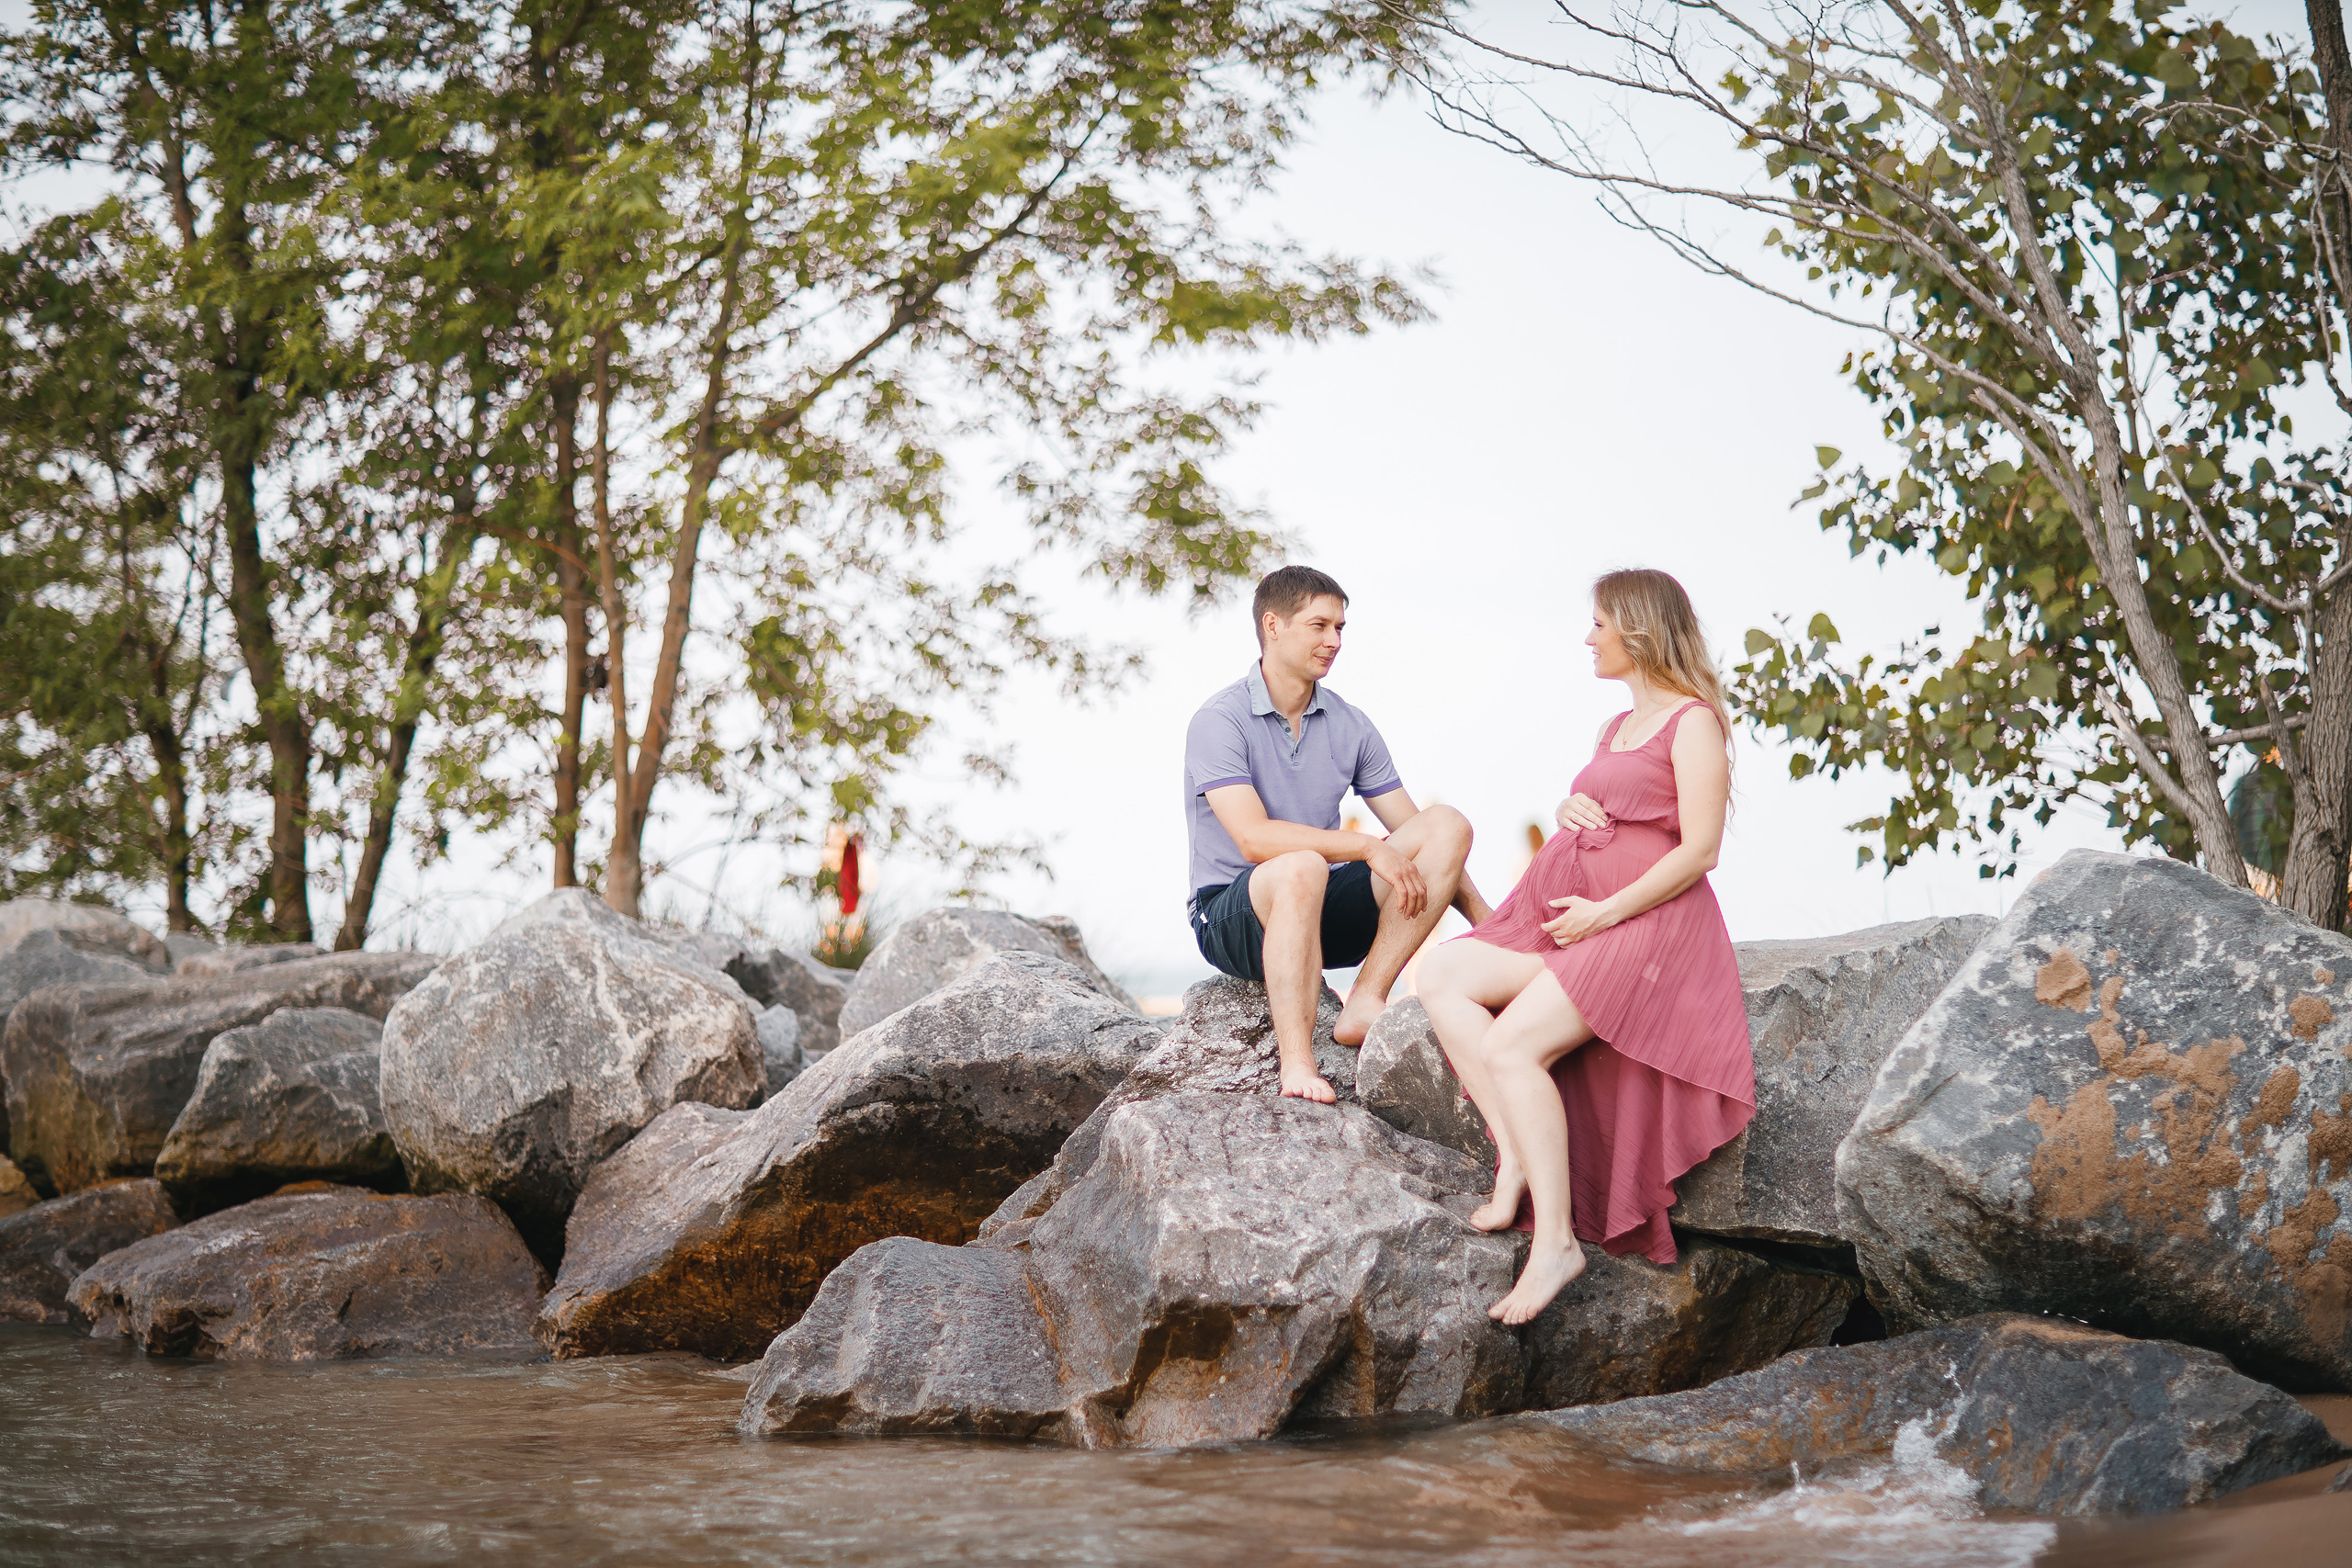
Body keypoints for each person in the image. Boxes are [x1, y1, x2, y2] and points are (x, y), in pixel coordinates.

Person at [1416, 568, 1755, 1326]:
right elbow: (1625, 809)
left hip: (1646, 928)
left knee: (1510, 1048)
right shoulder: (1615, 727)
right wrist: (1574, 808)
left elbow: (1698, 850)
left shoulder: (1693, 721)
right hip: (1576, 918)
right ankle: (1514, 1155)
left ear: (1636, 628)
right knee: (1441, 971)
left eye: (1599, 622)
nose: (1589, 636)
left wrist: (1604, 914)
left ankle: (1557, 1245)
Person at [1185, 565, 1494, 1104]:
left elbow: (1417, 831)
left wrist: (1491, 923)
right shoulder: (1219, 719)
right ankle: (1297, 1065)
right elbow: (1254, 840)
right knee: (1301, 865)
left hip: (1319, 911)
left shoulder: (1350, 723)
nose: (1334, 642)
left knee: (1446, 823)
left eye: (1341, 628)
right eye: (1319, 625)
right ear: (1273, 625)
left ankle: (1365, 999)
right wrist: (1365, 847)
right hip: (1232, 915)